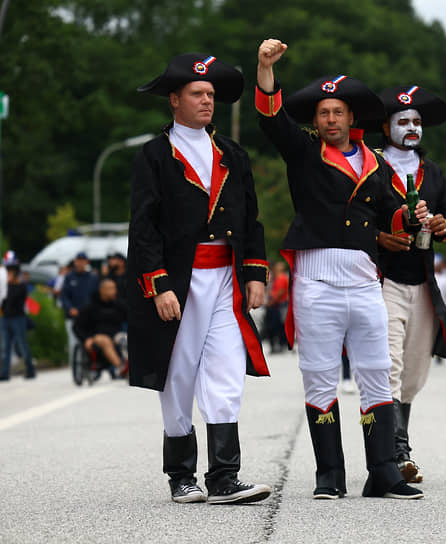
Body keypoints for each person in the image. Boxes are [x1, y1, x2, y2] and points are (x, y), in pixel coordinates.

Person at [255, 38, 425, 500]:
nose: (331, 119)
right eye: (323, 113)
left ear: (353, 119)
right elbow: (271, 120)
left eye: (338, 112)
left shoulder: (378, 164)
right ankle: (329, 472)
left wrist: (417, 218)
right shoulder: (305, 152)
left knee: (375, 370)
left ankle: (384, 471)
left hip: (366, 281)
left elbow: (393, 214)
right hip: (317, 279)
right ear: (315, 121)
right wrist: (265, 69)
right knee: (319, 373)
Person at [129, 53, 272, 504]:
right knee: (179, 376)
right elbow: (143, 226)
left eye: (211, 94)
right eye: (198, 93)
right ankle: (181, 476)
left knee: (227, 372)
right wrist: (158, 283)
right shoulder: (154, 155)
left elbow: (251, 219)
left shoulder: (232, 153)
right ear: (175, 100)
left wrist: (254, 272)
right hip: (180, 282)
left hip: (226, 279)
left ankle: (225, 478)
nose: (207, 100)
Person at [368, 85, 446, 484]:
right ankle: (395, 452)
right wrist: (379, 236)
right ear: (386, 128)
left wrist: (440, 225)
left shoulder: (433, 171)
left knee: (415, 372)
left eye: (417, 121)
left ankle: (394, 444)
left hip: (421, 280)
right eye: (403, 121)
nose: (412, 126)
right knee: (389, 365)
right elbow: (357, 218)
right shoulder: (370, 165)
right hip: (381, 278)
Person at [73, 278, 128, 378]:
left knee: (126, 338)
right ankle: (121, 367)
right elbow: (77, 326)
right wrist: (86, 339)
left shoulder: (118, 304)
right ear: (102, 290)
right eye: (110, 289)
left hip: (115, 334)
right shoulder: (90, 307)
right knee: (105, 340)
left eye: (114, 288)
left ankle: (130, 366)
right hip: (96, 336)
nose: (113, 291)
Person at [1, 259, 36, 381]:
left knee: (22, 344)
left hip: (18, 318)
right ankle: (4, 373)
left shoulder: (21, 286)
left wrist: (11, 284)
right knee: (5, 347)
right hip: (4, 318)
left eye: (10, 271)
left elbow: (15, 300)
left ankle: (30, 369)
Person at [60, 252, 99, 363]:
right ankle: (76, 366)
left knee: (92, 340)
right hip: (73, 316)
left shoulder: (92, 277)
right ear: (75, 262)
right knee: (73, 343)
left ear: (87, 262)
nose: (80, 263)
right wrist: (70, 308)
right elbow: (64, 296)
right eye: (78, 260)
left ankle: (93, 364)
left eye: (83, 260)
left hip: (88, 317)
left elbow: (96, 296)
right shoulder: (69, 277)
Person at [264, 262, 289, 353]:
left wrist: (271, 301)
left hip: (279, 305)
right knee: (273, 326)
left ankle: (281, 344)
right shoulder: (275, 278)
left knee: (278, 325)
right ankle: (276, 345)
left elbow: (281, 291)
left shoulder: (282, 278)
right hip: (275, 305)